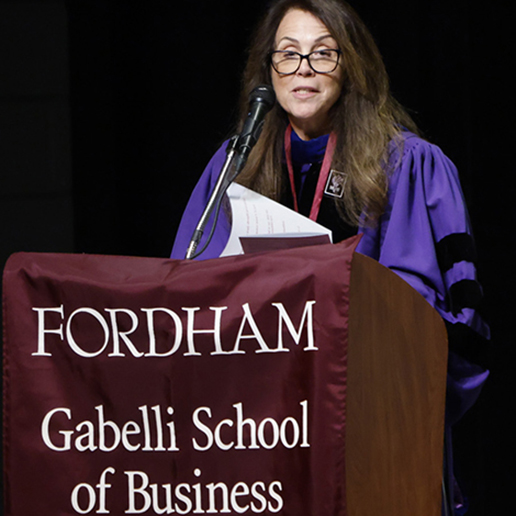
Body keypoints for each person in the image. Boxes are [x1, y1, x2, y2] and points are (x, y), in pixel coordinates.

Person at [171, 1, 489, 513]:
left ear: (352, 64)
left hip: (369, 424)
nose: (303, 69)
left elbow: (443, 319)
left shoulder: (407, 165)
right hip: (259, 430)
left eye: (322, 54)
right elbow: (191, 295)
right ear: (267, 67)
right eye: (288, 54)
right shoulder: (232, 167)